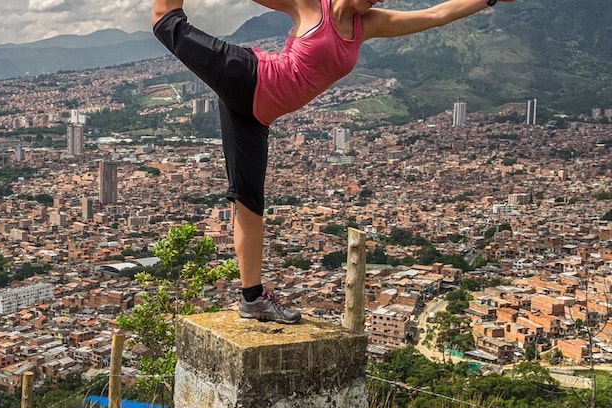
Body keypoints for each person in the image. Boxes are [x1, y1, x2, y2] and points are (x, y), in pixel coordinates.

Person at [152, 0, 513, 323]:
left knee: (249, 201)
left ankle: (252, 298)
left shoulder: (367, 23)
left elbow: (436, 15)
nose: (376, 0)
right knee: (167, 22)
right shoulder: (311, 6)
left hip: (256, 115)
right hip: (246, 75)